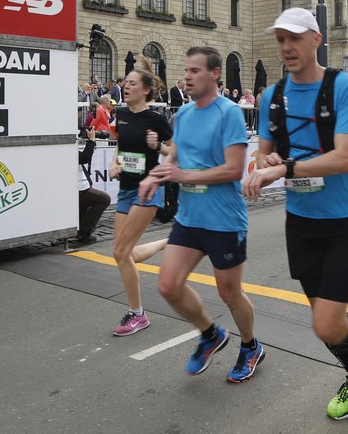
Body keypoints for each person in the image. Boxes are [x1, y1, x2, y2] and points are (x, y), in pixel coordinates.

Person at [246, 9, 348, 420]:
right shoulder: (271, 97)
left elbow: (344, 158)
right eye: (280, 39)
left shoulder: (343, 86)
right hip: (301, 223)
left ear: (316, 39)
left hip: (346, 221)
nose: (286, 47)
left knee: (326, 324)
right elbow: (261, 154)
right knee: (323, 319)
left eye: (294, 38)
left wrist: (284, 168)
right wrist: (266, 162)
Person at [138, 46, 262, 383]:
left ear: (215, 74)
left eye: (195, 71)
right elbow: (174, 157)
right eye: (187, 71)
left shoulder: (229, 113)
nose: (188, 77)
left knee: (229, 293)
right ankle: (210, 334)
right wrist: (154, 176)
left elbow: (234, 169)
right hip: (189, 218)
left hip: (223, 219)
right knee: (168, 285)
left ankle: (250, 346)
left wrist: (184, 176)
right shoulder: (184, 115)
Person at [107, 57, 174, 336]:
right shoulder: (121, 114)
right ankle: (167, 242)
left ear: (146, 90)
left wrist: (157, 146)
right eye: (125, 82)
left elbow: (175, 152)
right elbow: (120, 146)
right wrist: (114, 163)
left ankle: (138, 314)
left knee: (121, 252)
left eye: (132, 83)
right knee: (125, 253)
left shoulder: (156, 119)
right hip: (125, 188)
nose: (126, 86)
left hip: (148, 189)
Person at [77, 128, 109, 243]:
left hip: (79, 188)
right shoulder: (66, 147)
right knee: (104, 199)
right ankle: (84, 232)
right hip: (79, 189)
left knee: (83, 207)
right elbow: (84, 158)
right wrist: (91, 140)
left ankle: (81, 232)